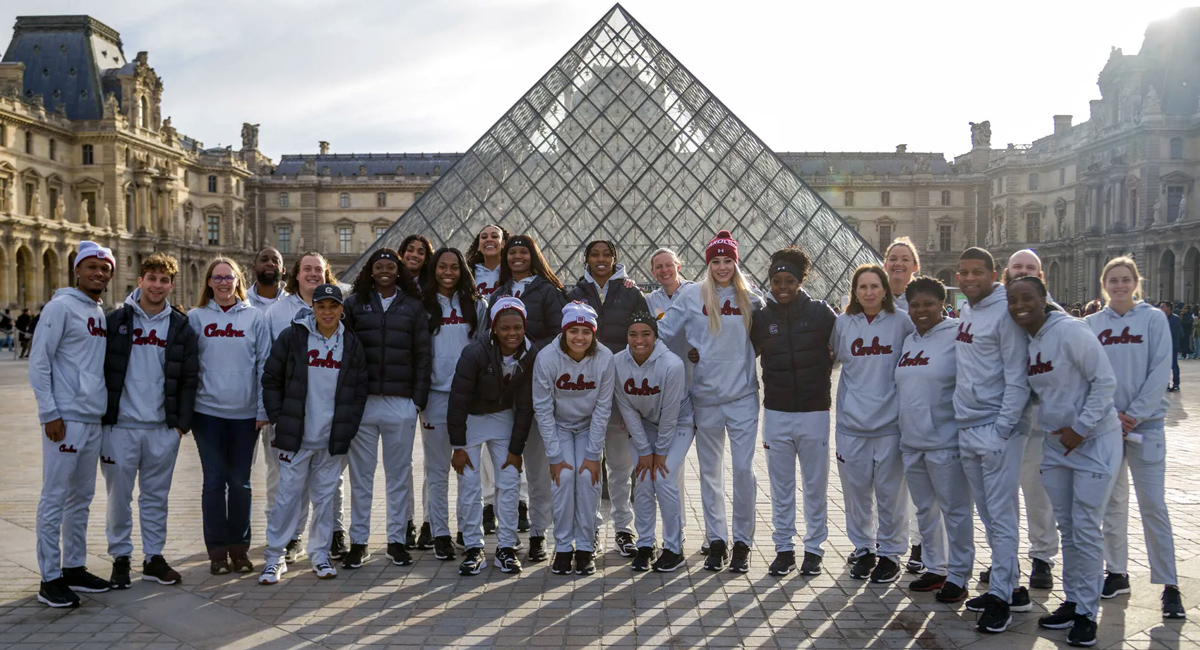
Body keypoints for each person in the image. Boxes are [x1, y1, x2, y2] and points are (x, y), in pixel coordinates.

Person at [1008, 276, 1121, 648]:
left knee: (1086, 527)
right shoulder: (1028, 340)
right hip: (1057, 444)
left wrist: (1082, 428)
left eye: (1028, 297)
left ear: (1044, 298)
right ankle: (1074, 600)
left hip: (1094, 441)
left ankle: (1088, 614)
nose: (1021, 305)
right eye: (1014, 300)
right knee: (1069, 528)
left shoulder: (1072, 331)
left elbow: (1105, 382)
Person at [659, 229, 764, 572]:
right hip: (705, 397)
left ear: (736, 262)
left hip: (743, 397)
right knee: (709, 474)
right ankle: (717, 540)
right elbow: (659, 332)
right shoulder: (691, 295)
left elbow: (779, 323)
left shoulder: (752, 298)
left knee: (743, 471)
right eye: (716, 261)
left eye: (728, 260)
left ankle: (743, 542)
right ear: (708, 264)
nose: (722, 267)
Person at [1087, 257, 1185, 618]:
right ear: (1104, 284)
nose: (1120, 285)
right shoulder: (1092, 324)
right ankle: (1116, 571)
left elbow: (1160, 369)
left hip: (1147, 425)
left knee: (1153, 505)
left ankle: (1169, 584)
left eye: (1126, 279)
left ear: (1136, 282)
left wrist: (1134, 415)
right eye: (1113, 280)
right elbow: (1088, 374)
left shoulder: (1153, 319)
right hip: (1105, 426)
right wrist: (1110, 415)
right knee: (1111, 503)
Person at [259, 284, 369, 584]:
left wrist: (348, 427)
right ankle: (274, 557)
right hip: (297, 436)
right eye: (322, 306)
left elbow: (359, 391)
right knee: (287, 498)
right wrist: (279, 418)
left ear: (341, 310)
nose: (328, 312)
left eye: (333, 306)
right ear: (313, 309)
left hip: (331, 438)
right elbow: (271, 379)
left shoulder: (351, 343)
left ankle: (319, 554)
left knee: (324, 499)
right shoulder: (293, 337)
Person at [100, 253, 199, 589]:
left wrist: (180, 426)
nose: (158, 285)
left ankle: (154, 557)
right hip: (121, 426)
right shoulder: (115, 322)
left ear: (172, 284)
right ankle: (121, 557)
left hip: (161, 428)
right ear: (140, 281)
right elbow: (100, 371)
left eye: (164, 280)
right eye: (152, 278)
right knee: (119, 498)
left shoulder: (180, 326)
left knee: (156, 497)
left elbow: (189, 378)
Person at [29, 241, 116, 607]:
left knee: (81, 498)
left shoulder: (98, 311)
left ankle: (74, 567)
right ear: (77, 270)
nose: (99, 273)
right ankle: (49, 578)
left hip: (92, 418)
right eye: (92, 266)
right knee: (55, 498)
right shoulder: (60, 307)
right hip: (64, 420)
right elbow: (39, 361)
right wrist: (49, 413)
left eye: (105, 268)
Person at [954, 247, 1033, 633]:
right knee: (989, 516)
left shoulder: (1006, 314)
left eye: (977, 273)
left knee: (1001, 518)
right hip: (967, 426)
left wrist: (1000, 432)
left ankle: (1000, 597)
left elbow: (1018, 380)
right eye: (963, 273)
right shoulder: (967, 311)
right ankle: (1014, 587)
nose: (969, 279)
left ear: (994, 274)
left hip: (994, 430)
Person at [340, 249, 432, 568]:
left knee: (398, 476)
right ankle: (359, 541)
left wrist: (416, 401)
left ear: (399, 271)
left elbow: (423, 355)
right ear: (370, 270)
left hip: (400, 402)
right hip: (364, 402)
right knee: (361, 478)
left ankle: (396, 540)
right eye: (378, 266)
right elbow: (344, 352)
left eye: (390, 267)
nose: (384, 271)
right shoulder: (353, 304)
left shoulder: (413, 306)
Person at [750, 247, 836, 578]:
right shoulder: (761, 317)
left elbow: (844, 350)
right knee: (781, 487)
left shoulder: (822, 313)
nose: (781, 287)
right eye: (775, 281)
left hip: (815, 411)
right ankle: (784, 549)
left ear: (800, 281)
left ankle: (814, 549)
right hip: (777, 412)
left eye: (788, 280)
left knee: (815, 486)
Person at [831, 264, 915, 584]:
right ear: (854, 291)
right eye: (862, 287)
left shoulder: (901, 323)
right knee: (856, 494)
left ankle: (891, 553)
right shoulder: (843, 323)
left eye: (874, 286)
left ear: (884, 290)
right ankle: (864, 548)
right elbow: (833, 360)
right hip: (851, 423)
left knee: (891, 494)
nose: (868, 292)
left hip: (890, 423)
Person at [188, 258, 271, 575]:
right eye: (217, 277)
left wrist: (263, 409)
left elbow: (264, 366)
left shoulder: (255, 318)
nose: (223, 283)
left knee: (240, 484)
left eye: (229, 277)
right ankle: (217, 553)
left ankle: (240, 549)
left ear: (239, 281)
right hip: (207, 414)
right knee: (213, 483)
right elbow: (188, 367)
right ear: (209, 282)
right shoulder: (196, 318)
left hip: (245, 415)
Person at [894, 277, 975, 602]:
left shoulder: (957, 336)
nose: (921, 310)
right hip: (912, 440)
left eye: (929, 303)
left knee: (955, 510)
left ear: (943, 304)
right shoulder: (910, 340)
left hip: (946, 440)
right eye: (915, 305)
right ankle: (935, 567)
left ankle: (959, 574)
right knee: (925, 508)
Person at [566, 240, 648, 557]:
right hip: (584, 391)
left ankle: (624, 530)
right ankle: (591, 530)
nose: (601, 260)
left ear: (615, 260)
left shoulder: (630, 292)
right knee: (590, 468)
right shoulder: (574, 294)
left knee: (619, 467)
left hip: (620, 393)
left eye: (606, 255)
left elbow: (645, 337)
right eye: (594, 255)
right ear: (586, 259)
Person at [448, 297, 540, 576]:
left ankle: (507, 546)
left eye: (518, 327)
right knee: (470, 483)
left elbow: (525, 407)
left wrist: (516, 450)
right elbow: (458, 400)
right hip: (472, 418)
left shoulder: (530, 353)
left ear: (524, 327)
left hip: (502, 416)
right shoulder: (474, 352)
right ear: (494, 329)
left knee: (510, 481)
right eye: (505, 328)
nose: (512, 333)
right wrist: (458, 446)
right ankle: (474, 546)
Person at [264, 252, 347, 561]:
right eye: (307, 269)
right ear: (295, 275)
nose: (313, 274)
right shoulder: (277, 312)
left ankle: (333, 534)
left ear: (327, 276)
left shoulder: (339, 309)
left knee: (331, 482)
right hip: (291, 414)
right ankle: (289, 537)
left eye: (319, 270)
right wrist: (272, 414)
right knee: (287, 482)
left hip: (328, 415)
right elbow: (267, 366)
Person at [485, 234, 565, 540]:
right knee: (513, 464)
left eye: (523, 252)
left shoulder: (548, 290)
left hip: (539, 383)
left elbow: (561, 333)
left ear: (533, 255)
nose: (517, 257)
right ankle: (530, 531)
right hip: (507, 388)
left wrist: (527, 348)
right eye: (512, 252)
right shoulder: (500, 291)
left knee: (540, 466)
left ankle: (544, 531)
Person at [989, 249, 1058, 591]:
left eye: (1030, 268)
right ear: (1006, 272)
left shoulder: (1053, 316)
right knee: (1002, 496)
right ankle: (1006, 559)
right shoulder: (996, 312)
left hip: (1039, 419)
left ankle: (1043, 556)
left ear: (1040, 277)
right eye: (1017, 267)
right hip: (1003, 416)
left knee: (1036, 492)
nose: (1022, 271)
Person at [534, 302, 616, 575]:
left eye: (585, 331)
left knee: (588, 478)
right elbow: (543, 409)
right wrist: (555, 457)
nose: (579, 337)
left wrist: (594, 455)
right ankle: (562, 547)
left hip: (588, 427)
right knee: (564, 478)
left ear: (594, 333)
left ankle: (584, 547)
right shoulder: (547, 357)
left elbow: (603, 408)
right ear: (564, 332)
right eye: (573, 331)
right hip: (559, 426)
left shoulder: (604, 358)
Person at [418, 247, 489, 560]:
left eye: (454, 267)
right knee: (436, 471)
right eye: (442, 266)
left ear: (463, 270)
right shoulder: (421, 305)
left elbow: (486, 349)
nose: (448, 272)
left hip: (467, 398)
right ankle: (440, 533)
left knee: (468, 471)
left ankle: (466, 529)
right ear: (433, 269)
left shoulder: (478, 305)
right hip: (434, 396)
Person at [614, 312, 693, 573]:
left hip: (679, 422)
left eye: (646, 333)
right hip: (644, 425)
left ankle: (673, 548)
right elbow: (627, 410)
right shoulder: (617, 363)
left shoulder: (672, 364)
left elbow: (670, 414)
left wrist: (658, 453)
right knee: (644, 480)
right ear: (626, 337)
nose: (639, 340)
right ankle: (646, 544)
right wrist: (645, 451)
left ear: (655, 336)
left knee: (665, 478)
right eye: (633, 334)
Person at [642, 248, 693, 542]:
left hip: (695, 384)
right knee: (671, 468)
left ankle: (678, 528)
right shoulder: (650, 301)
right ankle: (677, 526)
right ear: (653, 272)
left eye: (668, 265)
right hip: (661, 391)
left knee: (674, 467)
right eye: (658, 267)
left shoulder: (696, 293)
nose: (664, 271)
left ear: (678, 265)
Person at [883, 236, 925, 573]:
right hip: (882, 403)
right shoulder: (873, 299)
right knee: (883, 481)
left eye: (904, 258)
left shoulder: (925, 301)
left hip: (917, 403)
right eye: (893, 258)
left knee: (916, 481)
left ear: (915, 265)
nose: (898, 263)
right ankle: (881, 542)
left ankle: (920, 543)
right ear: (885, 264)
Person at [466, 224, 509, 298]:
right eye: (484, 237)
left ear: (503, 243)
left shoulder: (513, 270)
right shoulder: (469, 273)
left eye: (495, 236)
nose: (489, 239)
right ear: (479, 246)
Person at [1160, 301, 1182, 392]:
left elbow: (1172, 331)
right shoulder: (1160, 318)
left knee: (1173, 365)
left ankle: (1176, 384)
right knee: (1164, 366)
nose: (1161, 309)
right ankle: (1166, 384)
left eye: (1163, 307)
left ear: (1169, 308)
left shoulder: (1175, 319)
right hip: (1162, 345)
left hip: (1172, 345)